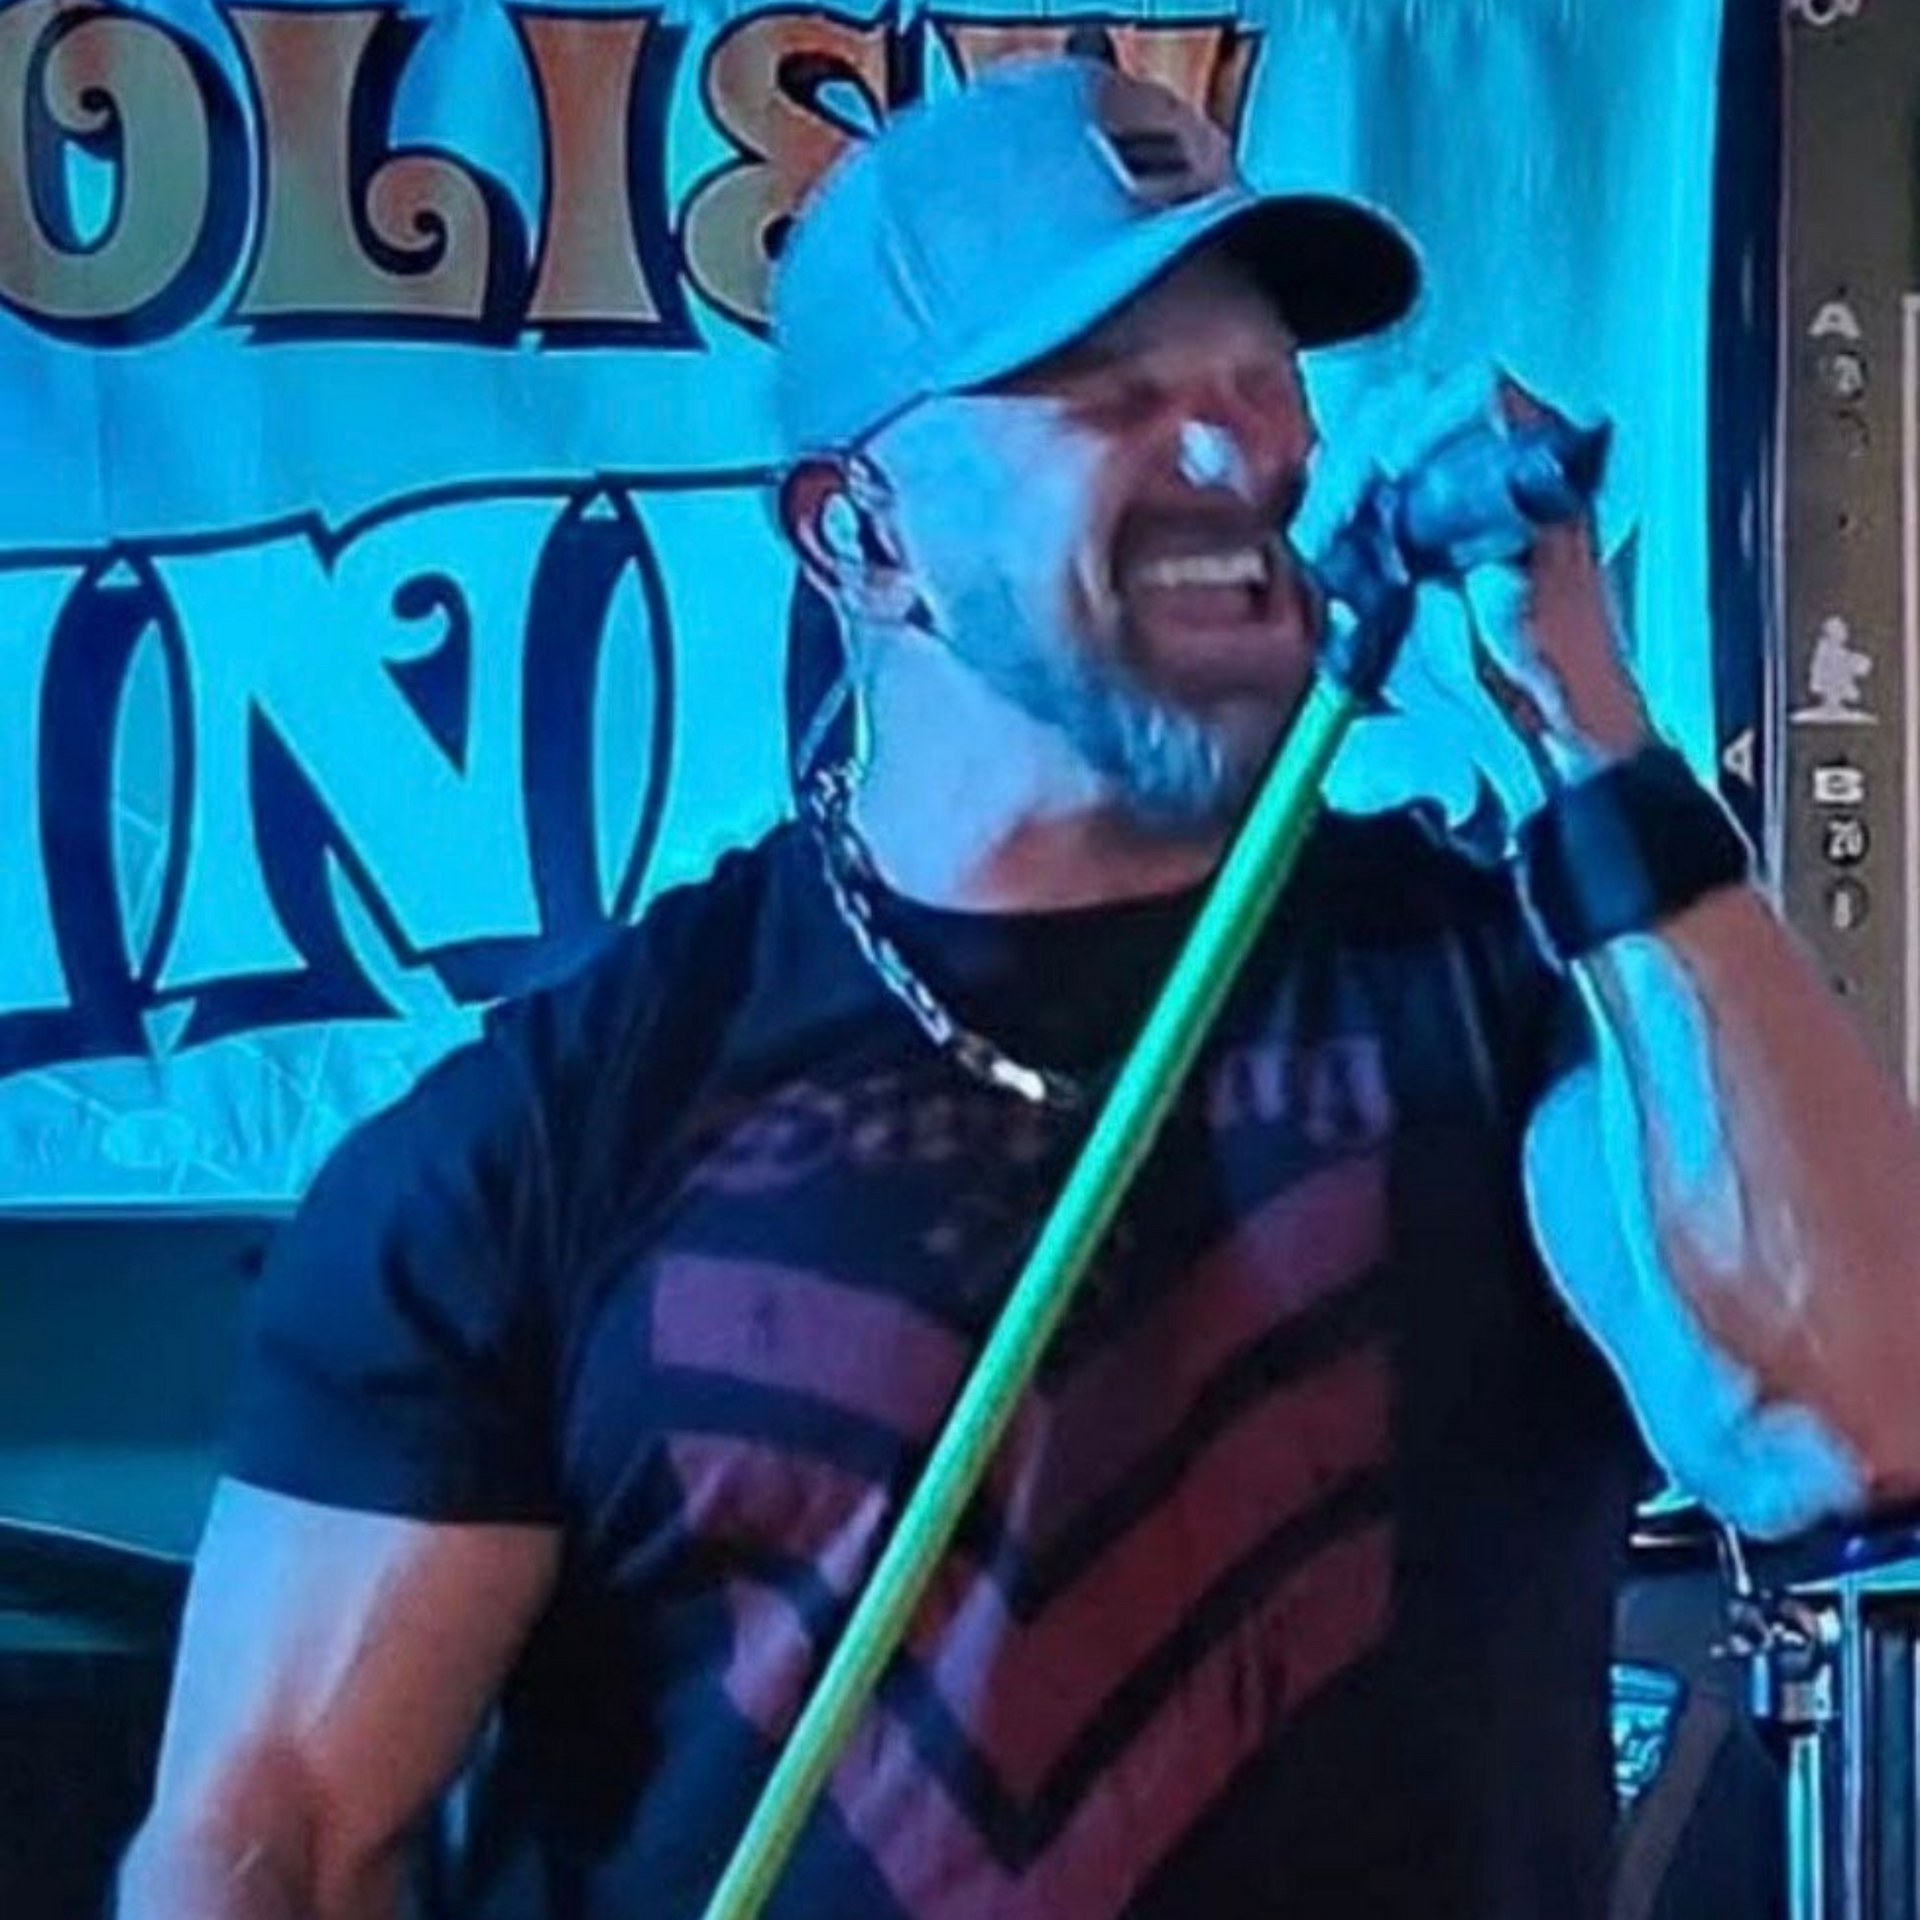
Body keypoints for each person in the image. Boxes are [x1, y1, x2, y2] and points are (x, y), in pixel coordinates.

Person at [120, 56, 1920, 1920]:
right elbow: (277, 1834)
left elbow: (1852, 1422)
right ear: (862, 535)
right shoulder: (554, 1134)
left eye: (1255, 380)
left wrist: (1592, 735)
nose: (1239, 453)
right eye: (1114, 396)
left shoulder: (1511, 989)